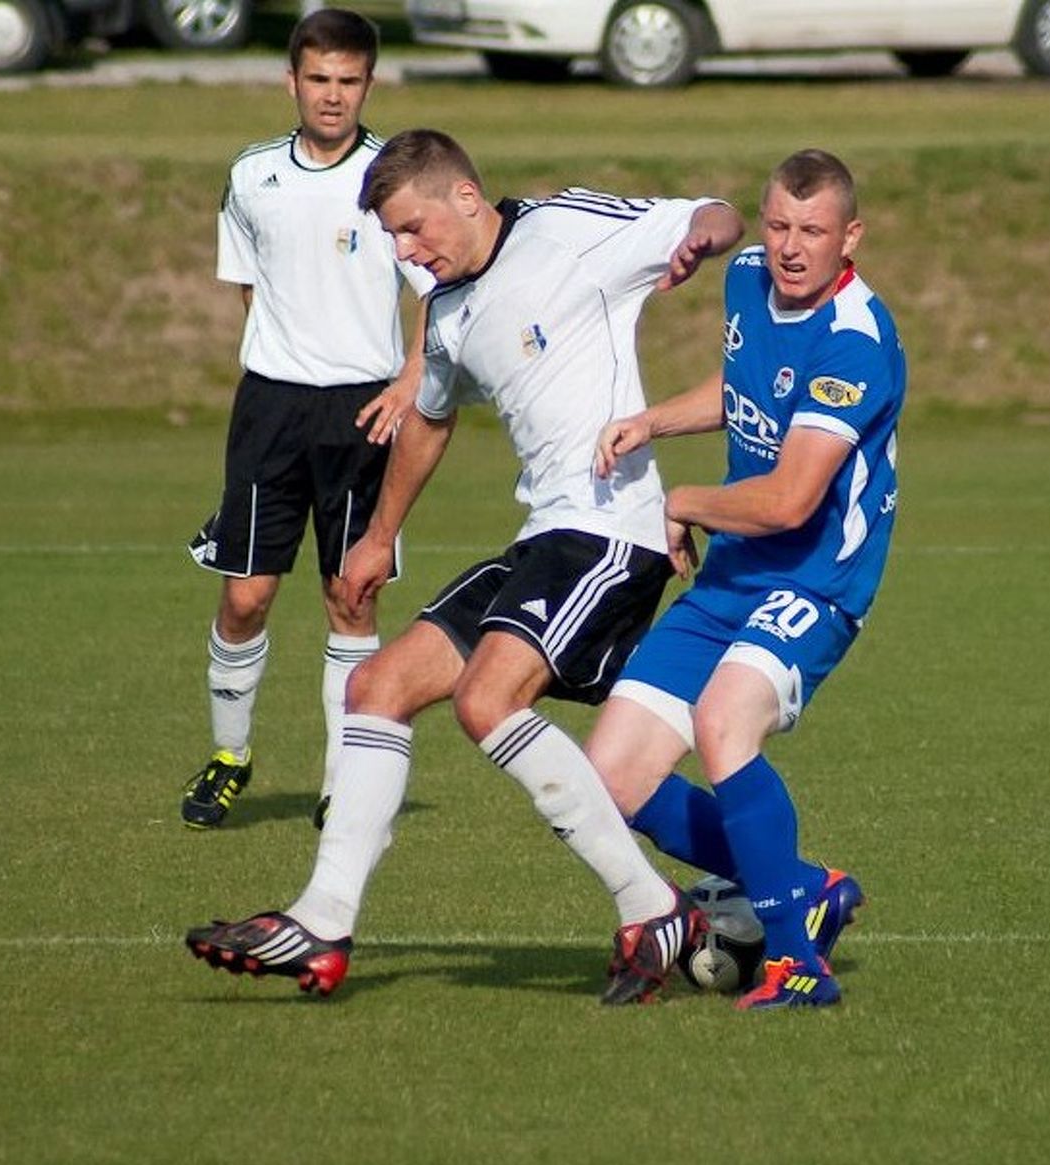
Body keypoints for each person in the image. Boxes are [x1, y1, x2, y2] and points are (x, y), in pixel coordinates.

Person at [186, 129, 745, 1004]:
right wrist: (377, 537)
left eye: (413, 230)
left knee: (487, 701)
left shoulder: (568, 226)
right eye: (393, 241)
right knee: (377, 684)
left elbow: (718, 212)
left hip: (612, 534)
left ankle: (651, 905)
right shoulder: (445, 310)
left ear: (465, 198)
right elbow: (431, 418)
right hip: (543, 538)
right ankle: (324, 921)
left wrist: (700, 240)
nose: (407, 253)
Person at [587, 149, 904, 1011]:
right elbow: (743, 388)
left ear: (851, 237)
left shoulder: (856, 340)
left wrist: (682, 499)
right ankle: (802, 885)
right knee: (610, 773)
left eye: (813, 231)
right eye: (779, 226)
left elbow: (793, 498)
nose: (792, 247)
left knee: (725, 722)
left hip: (815, 582)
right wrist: (652, 420)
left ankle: (798, 963)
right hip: (732, 578)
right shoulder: (750, 278)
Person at [180, 8, 433, 831]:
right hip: (273, 407)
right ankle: (229, 754)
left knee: (349, 591)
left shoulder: (395, 178)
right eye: (318, 79)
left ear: (369, 83)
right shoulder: (252, 174)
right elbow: (250, 285)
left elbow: (438, 289)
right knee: (247, 595)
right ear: (291, 81)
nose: (332, 96)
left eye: (348, 81)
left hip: (364, 410)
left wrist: (409, 379)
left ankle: (339, 783)